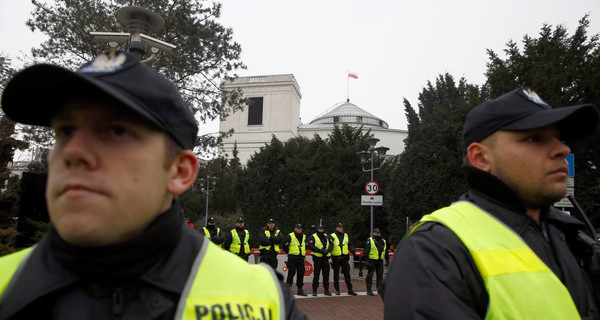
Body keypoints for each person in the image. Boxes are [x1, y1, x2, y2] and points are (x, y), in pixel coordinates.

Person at [0, 50, 306, 319]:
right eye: (65, 130)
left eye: (116, 131)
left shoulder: (264, 302)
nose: (72, 151)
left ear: (179, 172)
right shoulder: (6, 285)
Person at [382, 87, 600, 319]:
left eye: (559, 138)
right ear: (481, 158)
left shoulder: (570, 236)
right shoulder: (434, 250)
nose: (563, 150)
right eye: (535, 138)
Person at [330, 222, 357, 296]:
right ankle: (337, 289)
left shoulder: (346, 235)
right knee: (336, 274)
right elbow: (330, 246)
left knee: (347, 274)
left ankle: (350, 289)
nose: (342, 229)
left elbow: (350, 244)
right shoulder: (332, 236)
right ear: (336, 228)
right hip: (336, 257)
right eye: (340, 227)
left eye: (342, 227)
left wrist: (353, 250)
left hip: (344, 257)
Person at [282, 223, 308, 296]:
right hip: (292, 258)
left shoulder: (304, 236)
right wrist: (290, 252)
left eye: (300, 228)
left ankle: (300, 290)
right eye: (298, 228)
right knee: (291, 274)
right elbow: (284, 246)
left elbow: (305, 246)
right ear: (295, 229)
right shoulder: (290, 236)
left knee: (300, 274)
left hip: (301, 258)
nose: (299, 229)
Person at [307, 224, 333, 296]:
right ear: (317, 229)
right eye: (319, 229)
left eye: (322, 229)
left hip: (325, 258)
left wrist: (328, 250)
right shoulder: (313, 236)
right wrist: (320, 251)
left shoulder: (327, 236)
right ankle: (314, 290)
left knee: (326, 275)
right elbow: (311, 246)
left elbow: (331, 244)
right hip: (317, 258)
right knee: (316, 275)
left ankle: (326, 290)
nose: (321, 230)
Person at [363, 228, 389, 296]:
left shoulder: (383, 241)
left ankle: (380, 289)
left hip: (380, 261)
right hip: (372, 260)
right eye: (377, 233)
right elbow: (366, 251)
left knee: (380, 276)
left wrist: (387, 260)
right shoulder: (370, 240)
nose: (378, 234)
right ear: (373, 233)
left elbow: (386, 251)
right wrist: (366, 261)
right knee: (370, 275)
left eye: (379, 232)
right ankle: (369, 290)